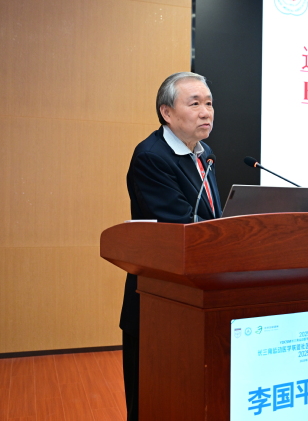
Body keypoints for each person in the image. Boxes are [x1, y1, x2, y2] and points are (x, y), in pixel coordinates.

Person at [120, 72, 223, 421]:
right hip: (160, 299)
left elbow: (208, 217)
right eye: (194, 104)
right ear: (166, 112)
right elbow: (178, 225)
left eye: (209, 103)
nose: (206, 112)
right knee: (153, 401)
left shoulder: (203, 153)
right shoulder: (151, 157)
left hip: (199, 294)